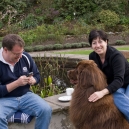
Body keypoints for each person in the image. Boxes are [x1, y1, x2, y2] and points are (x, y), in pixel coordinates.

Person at [0, 34, 52, 129]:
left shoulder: (25, 57)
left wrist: (34, 80)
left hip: (26, 96)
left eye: (21, 52)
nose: (20, 56)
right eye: (16, 54)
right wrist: (17, 83)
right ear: (6, 50)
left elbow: (37, 75)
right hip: (4, 99)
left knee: (45, 109)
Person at [88, 29, 129, 122]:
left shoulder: (116, 56)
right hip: (116, 87)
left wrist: (102, 92)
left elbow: (118, 80)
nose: (97, 45)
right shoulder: (92, 57)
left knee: (124, 106)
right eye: (94, 43)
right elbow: (94, 76)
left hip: (126, 82)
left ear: (106, 42)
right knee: (116, 95)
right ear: (91, 45)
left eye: (100, 41)